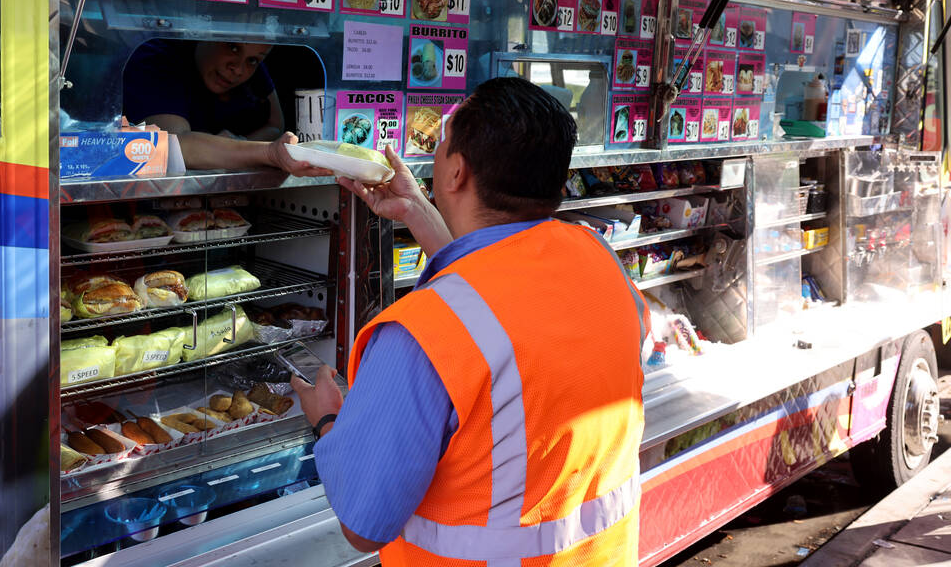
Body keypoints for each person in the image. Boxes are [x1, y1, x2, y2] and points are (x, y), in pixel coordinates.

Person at [292, 77, 652, 565]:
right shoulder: (600, 261)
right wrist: (420, 210)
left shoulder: (421, 336)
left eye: (439, 141)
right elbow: (512, 306)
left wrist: (329, 422)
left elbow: (363, 524)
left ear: (456, 172)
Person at [123, 38, 323, 174]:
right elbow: (175, 145)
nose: (237, 69)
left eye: (253, 60)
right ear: (205, 33)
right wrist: (268, 153)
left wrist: (236, 144)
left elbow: (275, 124)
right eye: (232, 47)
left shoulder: (251, 69)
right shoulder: (157, 58)